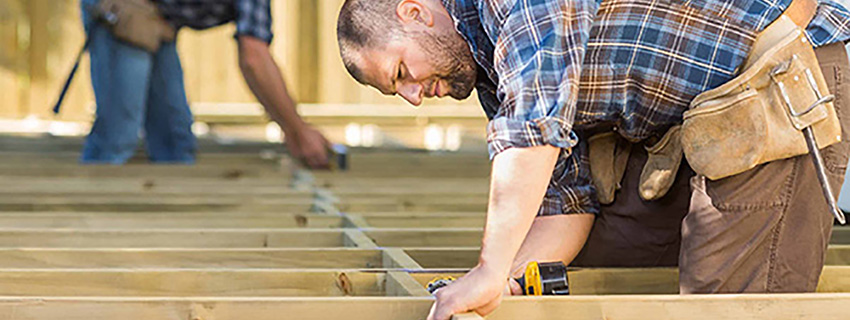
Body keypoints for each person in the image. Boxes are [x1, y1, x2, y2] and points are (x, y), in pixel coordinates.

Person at [335, 0, 850, 318]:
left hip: (777, 87)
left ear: (413, 11)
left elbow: (533, 129)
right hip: (699, 125)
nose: (412, 97)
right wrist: (507, 279)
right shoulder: (492, 73)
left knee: (724, 301)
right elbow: (566, 203)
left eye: (401, 71)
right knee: (606, 258)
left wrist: (489, 267)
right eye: (395, 91)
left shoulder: (514, 9)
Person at [79, 0, 330, 167]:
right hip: (125, 8)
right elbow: (254, 59)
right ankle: (84, 234)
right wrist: (298, 131)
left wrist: (295, 130)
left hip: (158, 14)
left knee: (175, 145)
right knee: (118, 137)